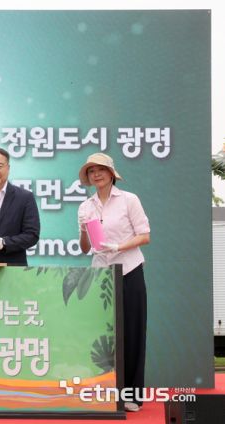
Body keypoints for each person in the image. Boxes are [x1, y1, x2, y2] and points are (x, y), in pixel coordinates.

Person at [77, 153, 150, 413]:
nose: (96, 174)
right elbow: (85, 247)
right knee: (103, 335)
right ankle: (106, 391)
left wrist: (118, 246)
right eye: (91, 171)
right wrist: (83, 230)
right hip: (101, 276)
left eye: (101, 169)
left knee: (132, 332)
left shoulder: (129, 199)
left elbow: (145, 236)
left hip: (129, 270)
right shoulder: (86, 207)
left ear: (111, 173)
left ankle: (132, 395)